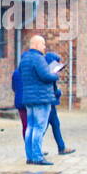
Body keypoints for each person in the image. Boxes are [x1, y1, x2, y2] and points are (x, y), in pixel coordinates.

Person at [17, 35, 59, 165]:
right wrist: (55, 75)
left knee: (30, 126)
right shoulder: (38, 58)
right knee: (39, 127)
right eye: (43, 44)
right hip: (41, 98)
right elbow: (45, 76)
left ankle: (30, 156)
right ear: (35, 45)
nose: (44, 47)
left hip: (28, 98)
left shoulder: (24, 59)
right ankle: (37, 156)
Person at [43, 51, 75, 156]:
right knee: (44, 126)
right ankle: (36, 148)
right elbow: (50, 90)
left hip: (51, 103)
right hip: (49, 103)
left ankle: (61, 147)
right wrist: (58, 93)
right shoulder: (48, 74)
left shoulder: (47, 72)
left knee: (54, 124)